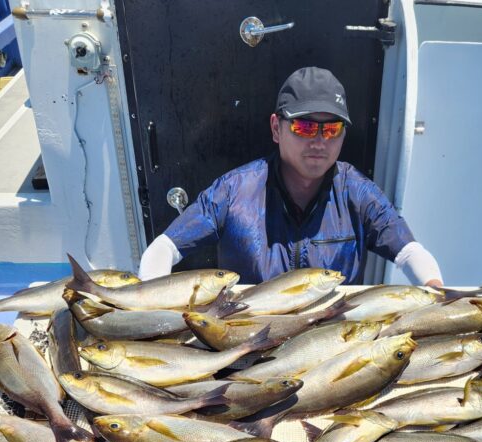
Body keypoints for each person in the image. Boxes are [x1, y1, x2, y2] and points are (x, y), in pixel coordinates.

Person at [138, 67, 444, 287]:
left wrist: (436, 290)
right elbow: (165, 247)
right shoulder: (235, 190)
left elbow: (408, 251)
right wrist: (152, 304)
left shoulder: (358, 193)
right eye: (305, 127)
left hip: (332, 344)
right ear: (276, 128)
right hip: (250, 342)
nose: (319, 141)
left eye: (332, 129)